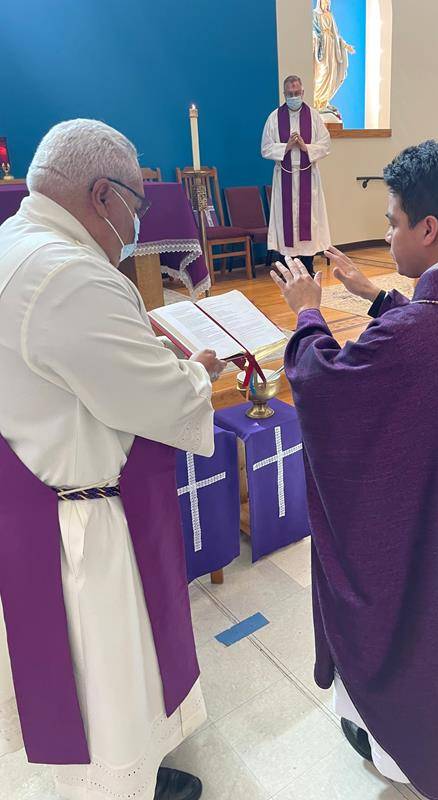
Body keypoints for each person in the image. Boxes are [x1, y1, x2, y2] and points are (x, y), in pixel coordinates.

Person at [270, 139, 438, 800]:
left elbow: (328, 383)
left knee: (417, 611)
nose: (386, 236)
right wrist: (376, 297)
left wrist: (307, 312)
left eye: (392, 222)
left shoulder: (425, 331)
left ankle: (400, 750)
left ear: (429, 229)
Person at [0, 119, 227, 800]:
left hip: (35, 493)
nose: (138, 221)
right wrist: (198, 373)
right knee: (110, 680)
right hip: (85, 520)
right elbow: (154, 400)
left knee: (88, 680)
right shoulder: (70, 276)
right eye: (137, 202)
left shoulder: (15, 241)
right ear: (103, 195)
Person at [261, 75, 332, 276]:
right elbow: (265, 148)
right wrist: (287, 146)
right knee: (287, 220)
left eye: (296, 93)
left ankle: (308, 264)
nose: (293, 97)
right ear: (284, 94)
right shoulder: (274, 117)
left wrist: (304, 146)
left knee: (308, 219)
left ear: (302, 92)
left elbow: (326, 145)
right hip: (284, 176)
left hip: (307, 177)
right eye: (289, 94)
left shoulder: (314, 117)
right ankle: (288, 265)